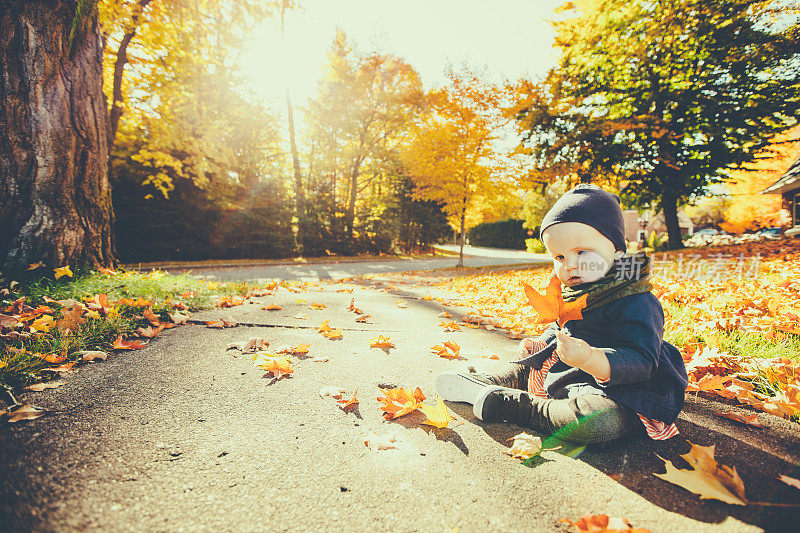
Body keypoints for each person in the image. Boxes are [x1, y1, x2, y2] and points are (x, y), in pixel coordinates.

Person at [436, 184, 688, 444]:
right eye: (559, 256)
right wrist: (550, 345)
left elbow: (642, 360)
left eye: (582, 252)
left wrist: (592, 358)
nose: (570, 265)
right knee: (537, 359)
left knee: (600, 422)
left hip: (624, 389)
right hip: (570, 373)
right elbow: (560, 332)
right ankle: (493, 380)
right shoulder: (573, 292)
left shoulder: (636, 299)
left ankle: (519, 406)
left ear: (618, 252)